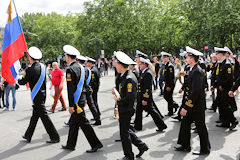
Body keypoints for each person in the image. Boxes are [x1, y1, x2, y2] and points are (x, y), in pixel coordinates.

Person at [61, 45, 103, 152]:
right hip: (81, 98)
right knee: (74, 124)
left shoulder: (70, 69)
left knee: (84, 123)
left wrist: (71, 105)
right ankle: (70, 144)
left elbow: (71, 90)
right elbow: (85, 85)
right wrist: (84, 99)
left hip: (75, 101)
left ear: (68, 57)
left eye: (65, 55)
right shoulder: (81, 68)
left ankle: (96, 144)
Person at [18, 46, 60, 143]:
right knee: (35, 116)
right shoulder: (42, 66)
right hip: (43, 94)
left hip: (37, 96)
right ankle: (28, 135)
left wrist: (18, 77)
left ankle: (54, 136)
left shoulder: (29, 70)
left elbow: (23, 82)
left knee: (44, 117)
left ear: (29, 57)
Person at [175, 46, 211, 155]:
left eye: (188, 56)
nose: (186, 58)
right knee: (185, 124)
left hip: (196, 105)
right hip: (191, 104)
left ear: (192, 58)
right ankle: (185, 145)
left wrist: (186, 107)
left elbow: (195, 91)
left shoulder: (197, 71)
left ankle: (205, 149)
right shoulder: (191, 69)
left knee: (201, 128)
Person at [113, 51, 149, 160]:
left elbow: (129, 98)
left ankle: (129, 156)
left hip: (126, 109)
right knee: (126, 130)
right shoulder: (122, 75)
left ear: (121, 65)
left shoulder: (129, 78)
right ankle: (142, 145)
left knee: (124, 133)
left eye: (116, 64)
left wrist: (118, 99)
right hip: (123, 107)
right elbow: (120, 89)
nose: (115, 65)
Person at [134, 57, 167, 132]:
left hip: (145, 97)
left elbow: (147, 88)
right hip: (141, 96)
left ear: (145, 65)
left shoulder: (147, 73)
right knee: (138, 111)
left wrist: (145, 99)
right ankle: (137, 126)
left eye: (140, 64)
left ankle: (162, 125)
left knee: (152, 111)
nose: (139, 66)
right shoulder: (143, 72)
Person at [211, 47, 238, 130]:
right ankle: (225, 122)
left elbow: (229, 79)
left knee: (226, 106)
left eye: (217, 54)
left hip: (225, 89)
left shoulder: (227, 64)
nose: (216, 55)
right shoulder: (221, 63)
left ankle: (234, 121)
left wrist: (222, 85)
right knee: (221, 105)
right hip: (220, 88)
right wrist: (214, 85)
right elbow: (218, 77)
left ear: (221, 55)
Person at [77, 55, 101, 125]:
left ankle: (95, 117)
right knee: (92, 105)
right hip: (89, 90)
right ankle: (97, 117)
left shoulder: (91, 70)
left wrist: (93, 90)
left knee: (90, 104)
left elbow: (93, 82)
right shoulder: (88, 69)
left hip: (87, 90)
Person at [161, 52, 179, 116]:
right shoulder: (165, 65)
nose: (162, 58)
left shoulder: (170, 66)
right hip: (167, 83)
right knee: (166, 96)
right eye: (163, 57)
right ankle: (175, 105)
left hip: (170, 84)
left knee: (168, 97)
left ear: (167, 58)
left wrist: (169, 86)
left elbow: (171, 77)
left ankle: (171, 111)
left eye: (164, 57)